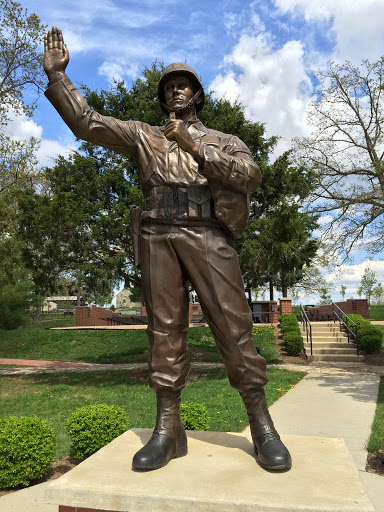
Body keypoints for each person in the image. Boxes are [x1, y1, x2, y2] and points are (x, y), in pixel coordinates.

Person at [43, 26, 291, 472]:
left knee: (234, 329)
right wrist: (60, 78)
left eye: (183, 85)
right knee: (164, 333)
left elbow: (250, 177)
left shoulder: (223, 140)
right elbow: (88, 124)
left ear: (197, 94)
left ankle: (261, 424)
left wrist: (193, 144)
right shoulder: (144, 135)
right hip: (158, 233)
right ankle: (167, 430)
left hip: (209, 233)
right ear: (164, 98)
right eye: (169, 87)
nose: (176, 90)